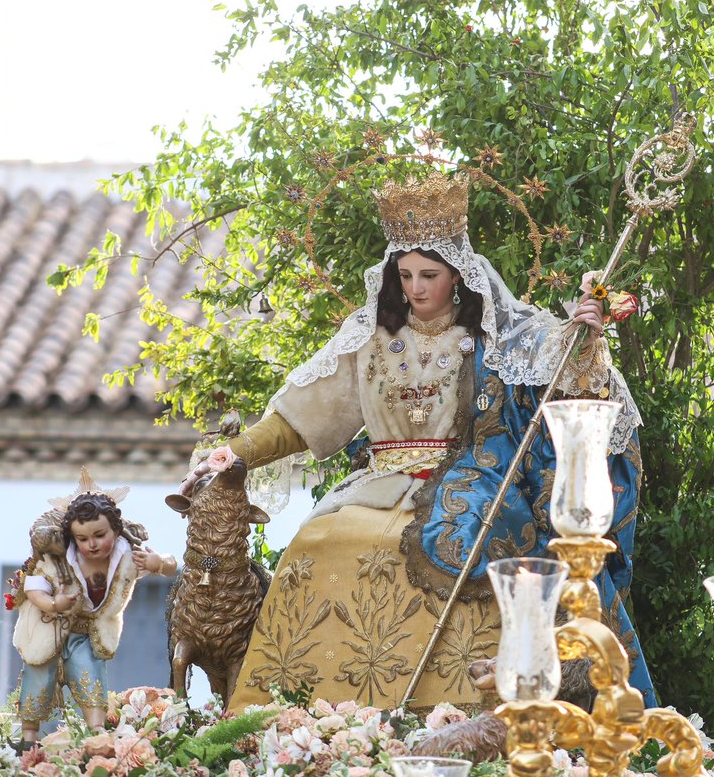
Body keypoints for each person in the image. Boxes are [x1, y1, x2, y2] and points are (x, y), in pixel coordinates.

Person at [182, 172, 654, 712]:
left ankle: (472, 706)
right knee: (319, 541)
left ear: (458, 274)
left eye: (429, 274)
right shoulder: (368, 339)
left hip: (467, 483)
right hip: (376, 486)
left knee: (474, 547)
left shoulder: (495, 339)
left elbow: (559, 369)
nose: (415, 288)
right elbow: (301, 417)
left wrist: (583, 331)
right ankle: (295, 714)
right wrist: (236, 451)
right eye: (404, 274)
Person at [12, 490, 176, 741]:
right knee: (38, 675)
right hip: (49, 627)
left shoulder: (128, 558)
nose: (92, 544)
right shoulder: (58, 559)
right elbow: (33, 587)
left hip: (88, 633)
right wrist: (55, 603)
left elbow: (172, 562)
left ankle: (96, 728)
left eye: (100, 535)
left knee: (89, 673)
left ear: (116, 531)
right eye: (83, 539)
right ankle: (29, 734)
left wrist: (158, 563)